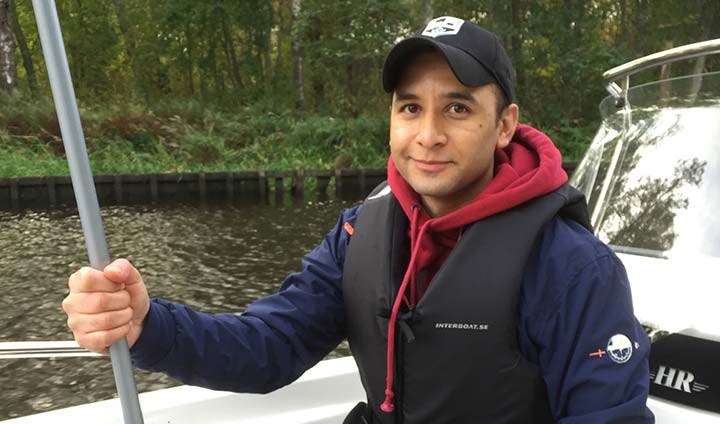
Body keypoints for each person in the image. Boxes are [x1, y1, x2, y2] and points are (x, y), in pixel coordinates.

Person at [62, 16, 654, 423]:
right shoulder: (359, 233)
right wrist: (144, 324)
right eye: (410, 108)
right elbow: (267, 346)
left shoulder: (572, 267)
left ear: (504, 125)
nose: (428, 136)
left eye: (457, 108)